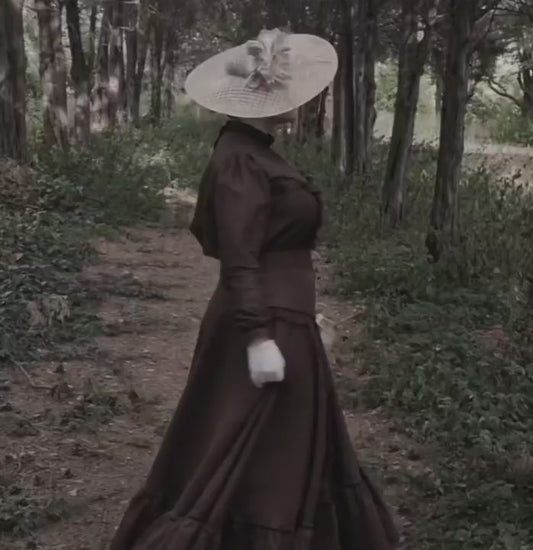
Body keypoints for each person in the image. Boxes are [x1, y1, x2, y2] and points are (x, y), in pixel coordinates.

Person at [110, 28, 399, 550]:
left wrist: (296, 315)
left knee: (277, 445)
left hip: (286, 316)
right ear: (268, 96)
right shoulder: (242, 157)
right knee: (251, 442)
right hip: (266, 320)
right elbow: (239, 257)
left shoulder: (255, 150)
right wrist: (258, 336)